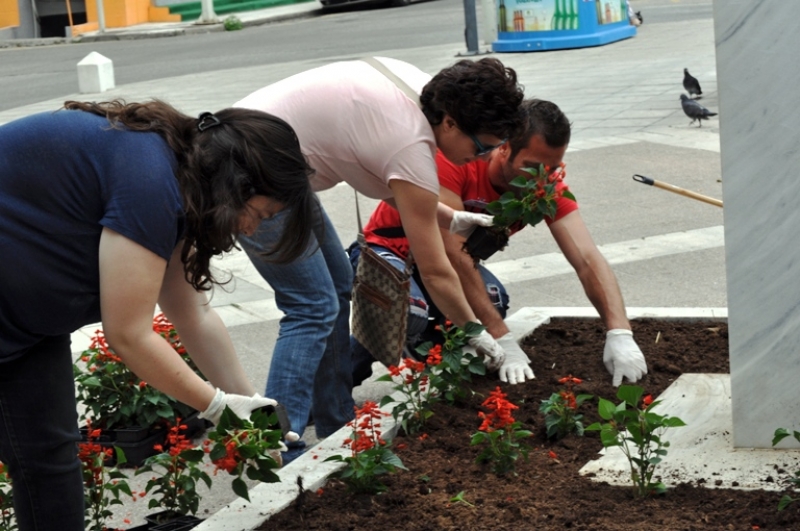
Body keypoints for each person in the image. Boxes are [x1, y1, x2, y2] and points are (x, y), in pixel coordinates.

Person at [0, 100, 314, 531]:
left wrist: (253, 413)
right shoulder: (150, 181)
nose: (251, 229)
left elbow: (193, 316)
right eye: (258, 214)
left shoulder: (179, 180)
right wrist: (218, 406)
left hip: (27, 323)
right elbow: (129, 334)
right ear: (233, 184)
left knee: (49, 458)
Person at [234, 56, 525, 463]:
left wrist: (448, 216)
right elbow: (437, 270)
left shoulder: (425, 94)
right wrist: (475, 331)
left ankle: (337, 422)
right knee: (310, 306)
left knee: (336, 287)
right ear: (451, 124)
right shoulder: (411, 142)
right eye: (482, 147)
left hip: (271, 162)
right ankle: (278, 448)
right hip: (244, 177)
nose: (480, 159)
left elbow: (388, 175)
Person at [351, 99, 648, 388]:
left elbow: (586, 258)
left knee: (493, 299)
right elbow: (453, 255)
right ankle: (339, 375)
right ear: (504, 147)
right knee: (406, 310)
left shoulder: (544, 188)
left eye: (553, 169)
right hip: (387, 254)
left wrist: (619, 332)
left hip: (441, 268)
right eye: (532, 167)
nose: (541, 180)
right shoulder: (457, 163)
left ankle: (439, 365)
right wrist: (501, 337)